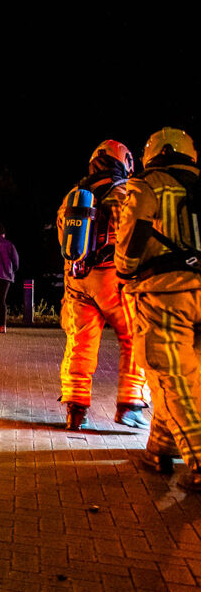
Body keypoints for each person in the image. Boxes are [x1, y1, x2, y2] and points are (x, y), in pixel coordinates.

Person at [116, 127, 201, 488]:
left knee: (173, 376)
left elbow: (133, 231)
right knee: (187, 375)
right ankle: (161, 447)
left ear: (152, 155)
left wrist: (124, 270)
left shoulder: (149, 184)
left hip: (166, 292)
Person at [57, 140, 149, 431]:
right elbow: (131, 237)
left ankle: (75, 409)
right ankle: (131, 404)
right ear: (124, 162)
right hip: (113, 280)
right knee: (134, 336)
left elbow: (65, 243)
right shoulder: (123, 193)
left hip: (77, 280)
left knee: (80, 342)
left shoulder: (72, 198)